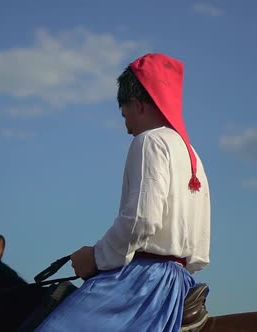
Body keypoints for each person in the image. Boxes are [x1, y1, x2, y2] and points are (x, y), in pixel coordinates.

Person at [36, 53, 211, 332]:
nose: (126, 126)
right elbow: (200, 251)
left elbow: (142, 221)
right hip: (179, 284)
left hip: (145, 284)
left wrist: (94, 257)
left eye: (125, 113)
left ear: (138, 105)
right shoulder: (193, 155)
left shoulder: (149, 141)